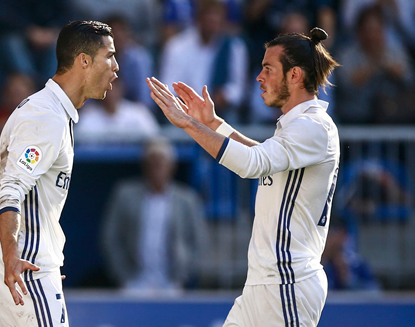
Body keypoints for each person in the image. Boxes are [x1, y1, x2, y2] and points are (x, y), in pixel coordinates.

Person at [147, 27, 340, 326]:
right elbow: (261, 155)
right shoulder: (298, 126)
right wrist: (213, 123)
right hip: (264, 285)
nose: (258, 78)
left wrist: (186, 124)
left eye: (267, 69)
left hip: (287, 284)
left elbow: (252, 163)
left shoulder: (313, 126)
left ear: (295, 75)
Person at [0, 20, 119, 326]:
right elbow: (10, 190)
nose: (116, 67)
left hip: (19, 263)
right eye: (109, 56)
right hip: (25, 269)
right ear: (84, 61)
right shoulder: (46, 116)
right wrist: (15, 255)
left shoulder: (51, 111)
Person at [101, 138, 207, 295]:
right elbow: (110, 237)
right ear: (145, 165)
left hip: (171, 283)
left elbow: (198, 240)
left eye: (161, 162)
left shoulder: (187, 199)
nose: (157, 168)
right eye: (152, 162)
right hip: (134, 282)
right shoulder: (125, 194)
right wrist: (123, 276)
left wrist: (182, 275)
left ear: (171, 166)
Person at [76, 79, 160, 141]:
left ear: (121, 88)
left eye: (114, 86)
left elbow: (155, 139)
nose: (111, 92)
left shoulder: (138, 112)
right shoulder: (89, 115)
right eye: (106, 87)